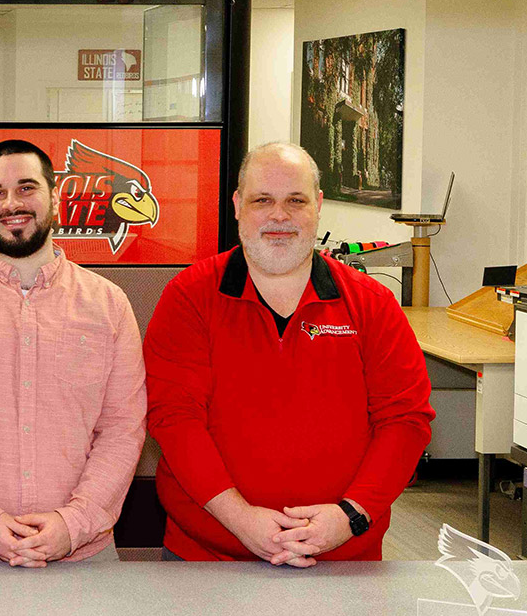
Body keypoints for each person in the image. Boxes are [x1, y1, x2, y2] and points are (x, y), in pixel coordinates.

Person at [144, 141, 434, 565]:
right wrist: (239, 518)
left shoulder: (371, 304)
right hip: (208, 560)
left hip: (343, 561)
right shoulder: (189, 298)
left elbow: (405, 419)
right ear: (238, 205)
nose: (279, 215)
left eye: (295, 201)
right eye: (263, 200)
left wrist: (350, 516)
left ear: (317, 205)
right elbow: (173, 417)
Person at [0, 140, 146, 566]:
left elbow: (123, 429)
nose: (11, 203)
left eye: (27, 188)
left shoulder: (109, 305)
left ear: (55, 196)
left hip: (83, 558)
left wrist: (72, 524)